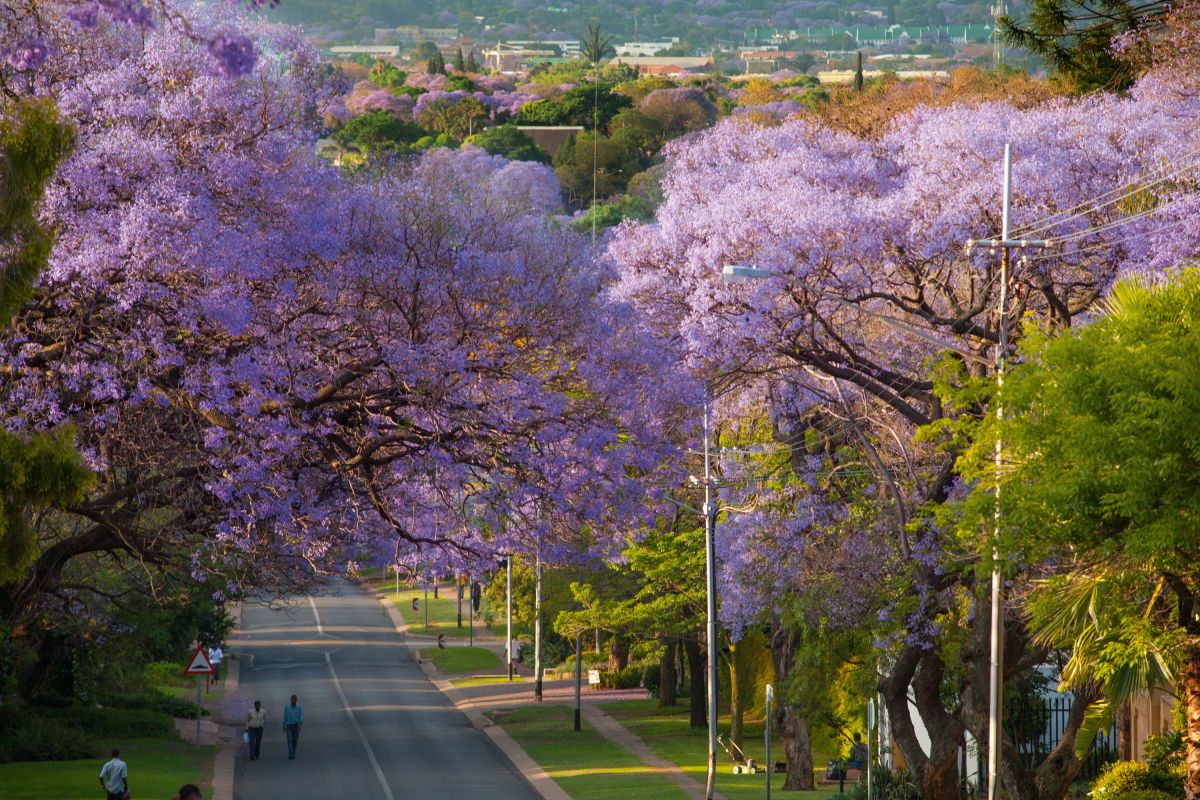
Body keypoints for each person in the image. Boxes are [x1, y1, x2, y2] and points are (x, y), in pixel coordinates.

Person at [282, 694, 304, 759]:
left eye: (294, 699)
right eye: (292, 699)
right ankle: (291, 753)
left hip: (296, 725)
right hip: (289, 725)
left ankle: (293, 751)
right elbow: (285, 717)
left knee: (295, 740)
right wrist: (283, 725)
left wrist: (300, 725)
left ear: (296, 700)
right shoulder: (287, 707)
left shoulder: (299, 707)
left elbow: (301, 717)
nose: (293, 701)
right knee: (289, 740)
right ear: (290, 700)